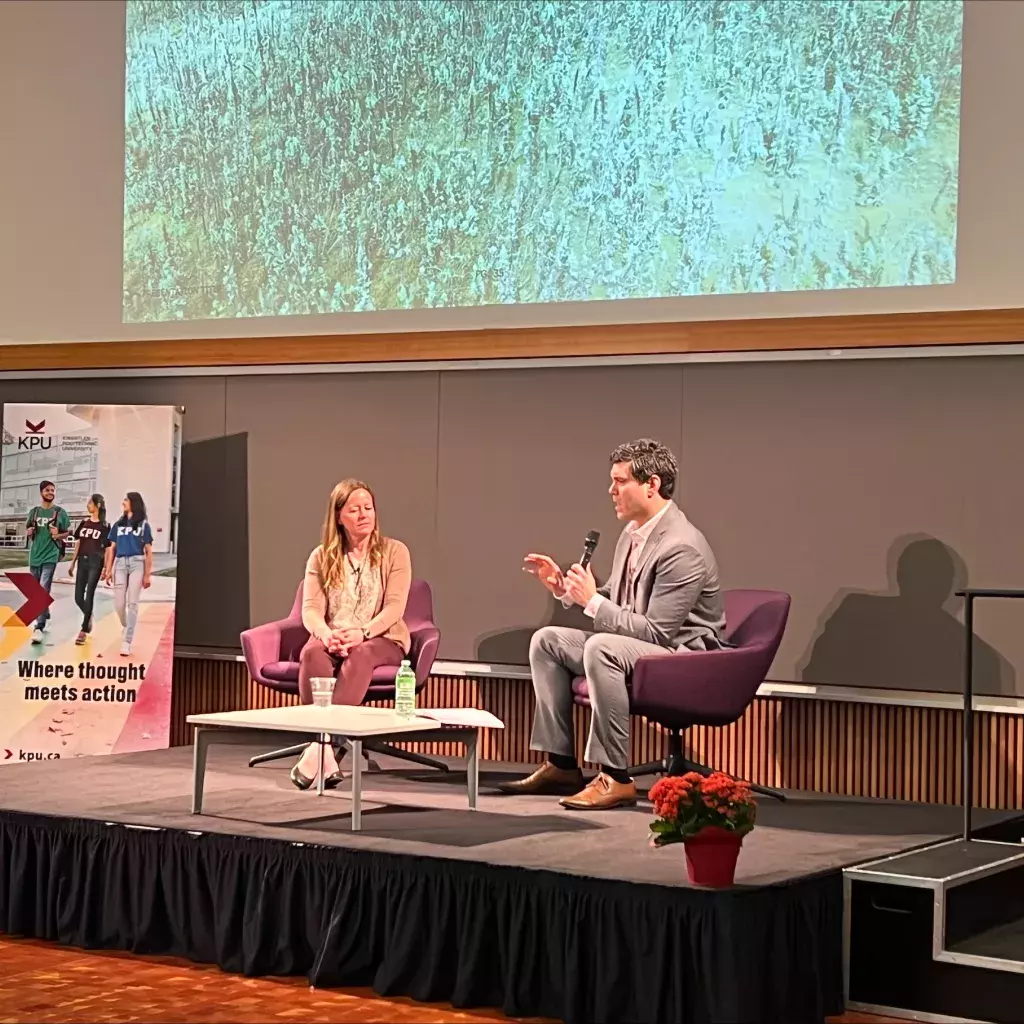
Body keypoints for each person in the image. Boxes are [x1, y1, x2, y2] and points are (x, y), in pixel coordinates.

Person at [500, 438, 726, 810]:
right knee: (547, 640)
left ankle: (615, 777)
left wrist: (592, 600)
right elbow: (622, 601)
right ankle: (561, 764)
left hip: (685, 656)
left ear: (651, 485)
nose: (611, 490)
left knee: (600, 647)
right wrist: (567, 591)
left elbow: (657, 631)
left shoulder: (682, 546)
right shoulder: (633, 533)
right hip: (651, 643)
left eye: (620, 481)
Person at [291, 478, 412, 790]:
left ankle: (321, 746)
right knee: (312, 652)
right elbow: (311, 610)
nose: (364, 515)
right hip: (335, 634)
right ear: (339, 517)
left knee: (361, 653)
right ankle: (326, 751)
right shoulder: (320, 556)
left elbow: (395, 608)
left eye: (368, 508)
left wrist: (363, 632)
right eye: (355, 510)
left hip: (382, 638)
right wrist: (325, 634)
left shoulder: (395, 552)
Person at [103, 492, 153, 657]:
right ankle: (126, 625)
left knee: (132, 603)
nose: (123, 502)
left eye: (126, 500)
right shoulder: (118, 525)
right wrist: (108, 570)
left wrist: (147, 575)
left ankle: (127, 641)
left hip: (137, 563)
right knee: (118, 604)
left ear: (133, 503)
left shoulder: (143, 525)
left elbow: (148, 551)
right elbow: (112, 548)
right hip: (120, 564)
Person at [24, 480, 71, 644]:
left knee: (42, 590)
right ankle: (46, 611)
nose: (51, 492)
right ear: (41, 492)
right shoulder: (34, 512)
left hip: (51, 556)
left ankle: (38, 627)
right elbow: (28, 530)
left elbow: (67, 532)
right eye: (48, 490)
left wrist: (58, 535)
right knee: (35, 593)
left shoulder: (60, 512)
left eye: (53, 490)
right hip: (35, 557)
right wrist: (29, 531)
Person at [67, 493, 110, 645]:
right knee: (78, 596)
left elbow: (107, 549)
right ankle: (89, 615)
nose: (87, 505)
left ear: (97, 505)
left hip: (95, 562)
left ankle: (84, 630)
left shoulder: (105, 526)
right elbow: (79, 542)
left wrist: (106, 567)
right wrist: (72, 562)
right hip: (82, 561)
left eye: (90, 503)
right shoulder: (84, 522)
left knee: (90, 593)